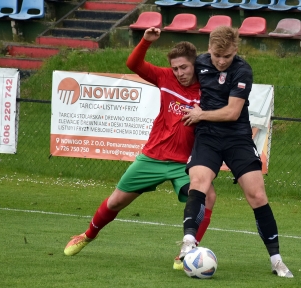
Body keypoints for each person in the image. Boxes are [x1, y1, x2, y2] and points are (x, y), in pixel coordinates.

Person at [64, 28, 216, 271]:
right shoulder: (165, 78)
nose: (179, 73)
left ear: (194, 65)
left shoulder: (208, 89)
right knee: (115, 202)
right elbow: (133, 63)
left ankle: (186, 253)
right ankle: (87, 235)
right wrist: (145, 41)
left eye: (184, 68)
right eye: (176, 68)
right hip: (151, 158)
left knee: (208, 197)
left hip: (184, 164)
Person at [178, 26, 293, 278]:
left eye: (227, 56)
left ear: (235, 50)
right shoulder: (199, 64)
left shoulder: (242, 70)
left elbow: (231, 112)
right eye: (217, 55)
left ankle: (277, 260)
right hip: (207, 137)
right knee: (199, 183)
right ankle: (188, 241)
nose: (221, 61)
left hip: (237, 137)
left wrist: (200, 114)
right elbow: (176, 80)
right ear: (209, 49)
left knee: (257, 195)